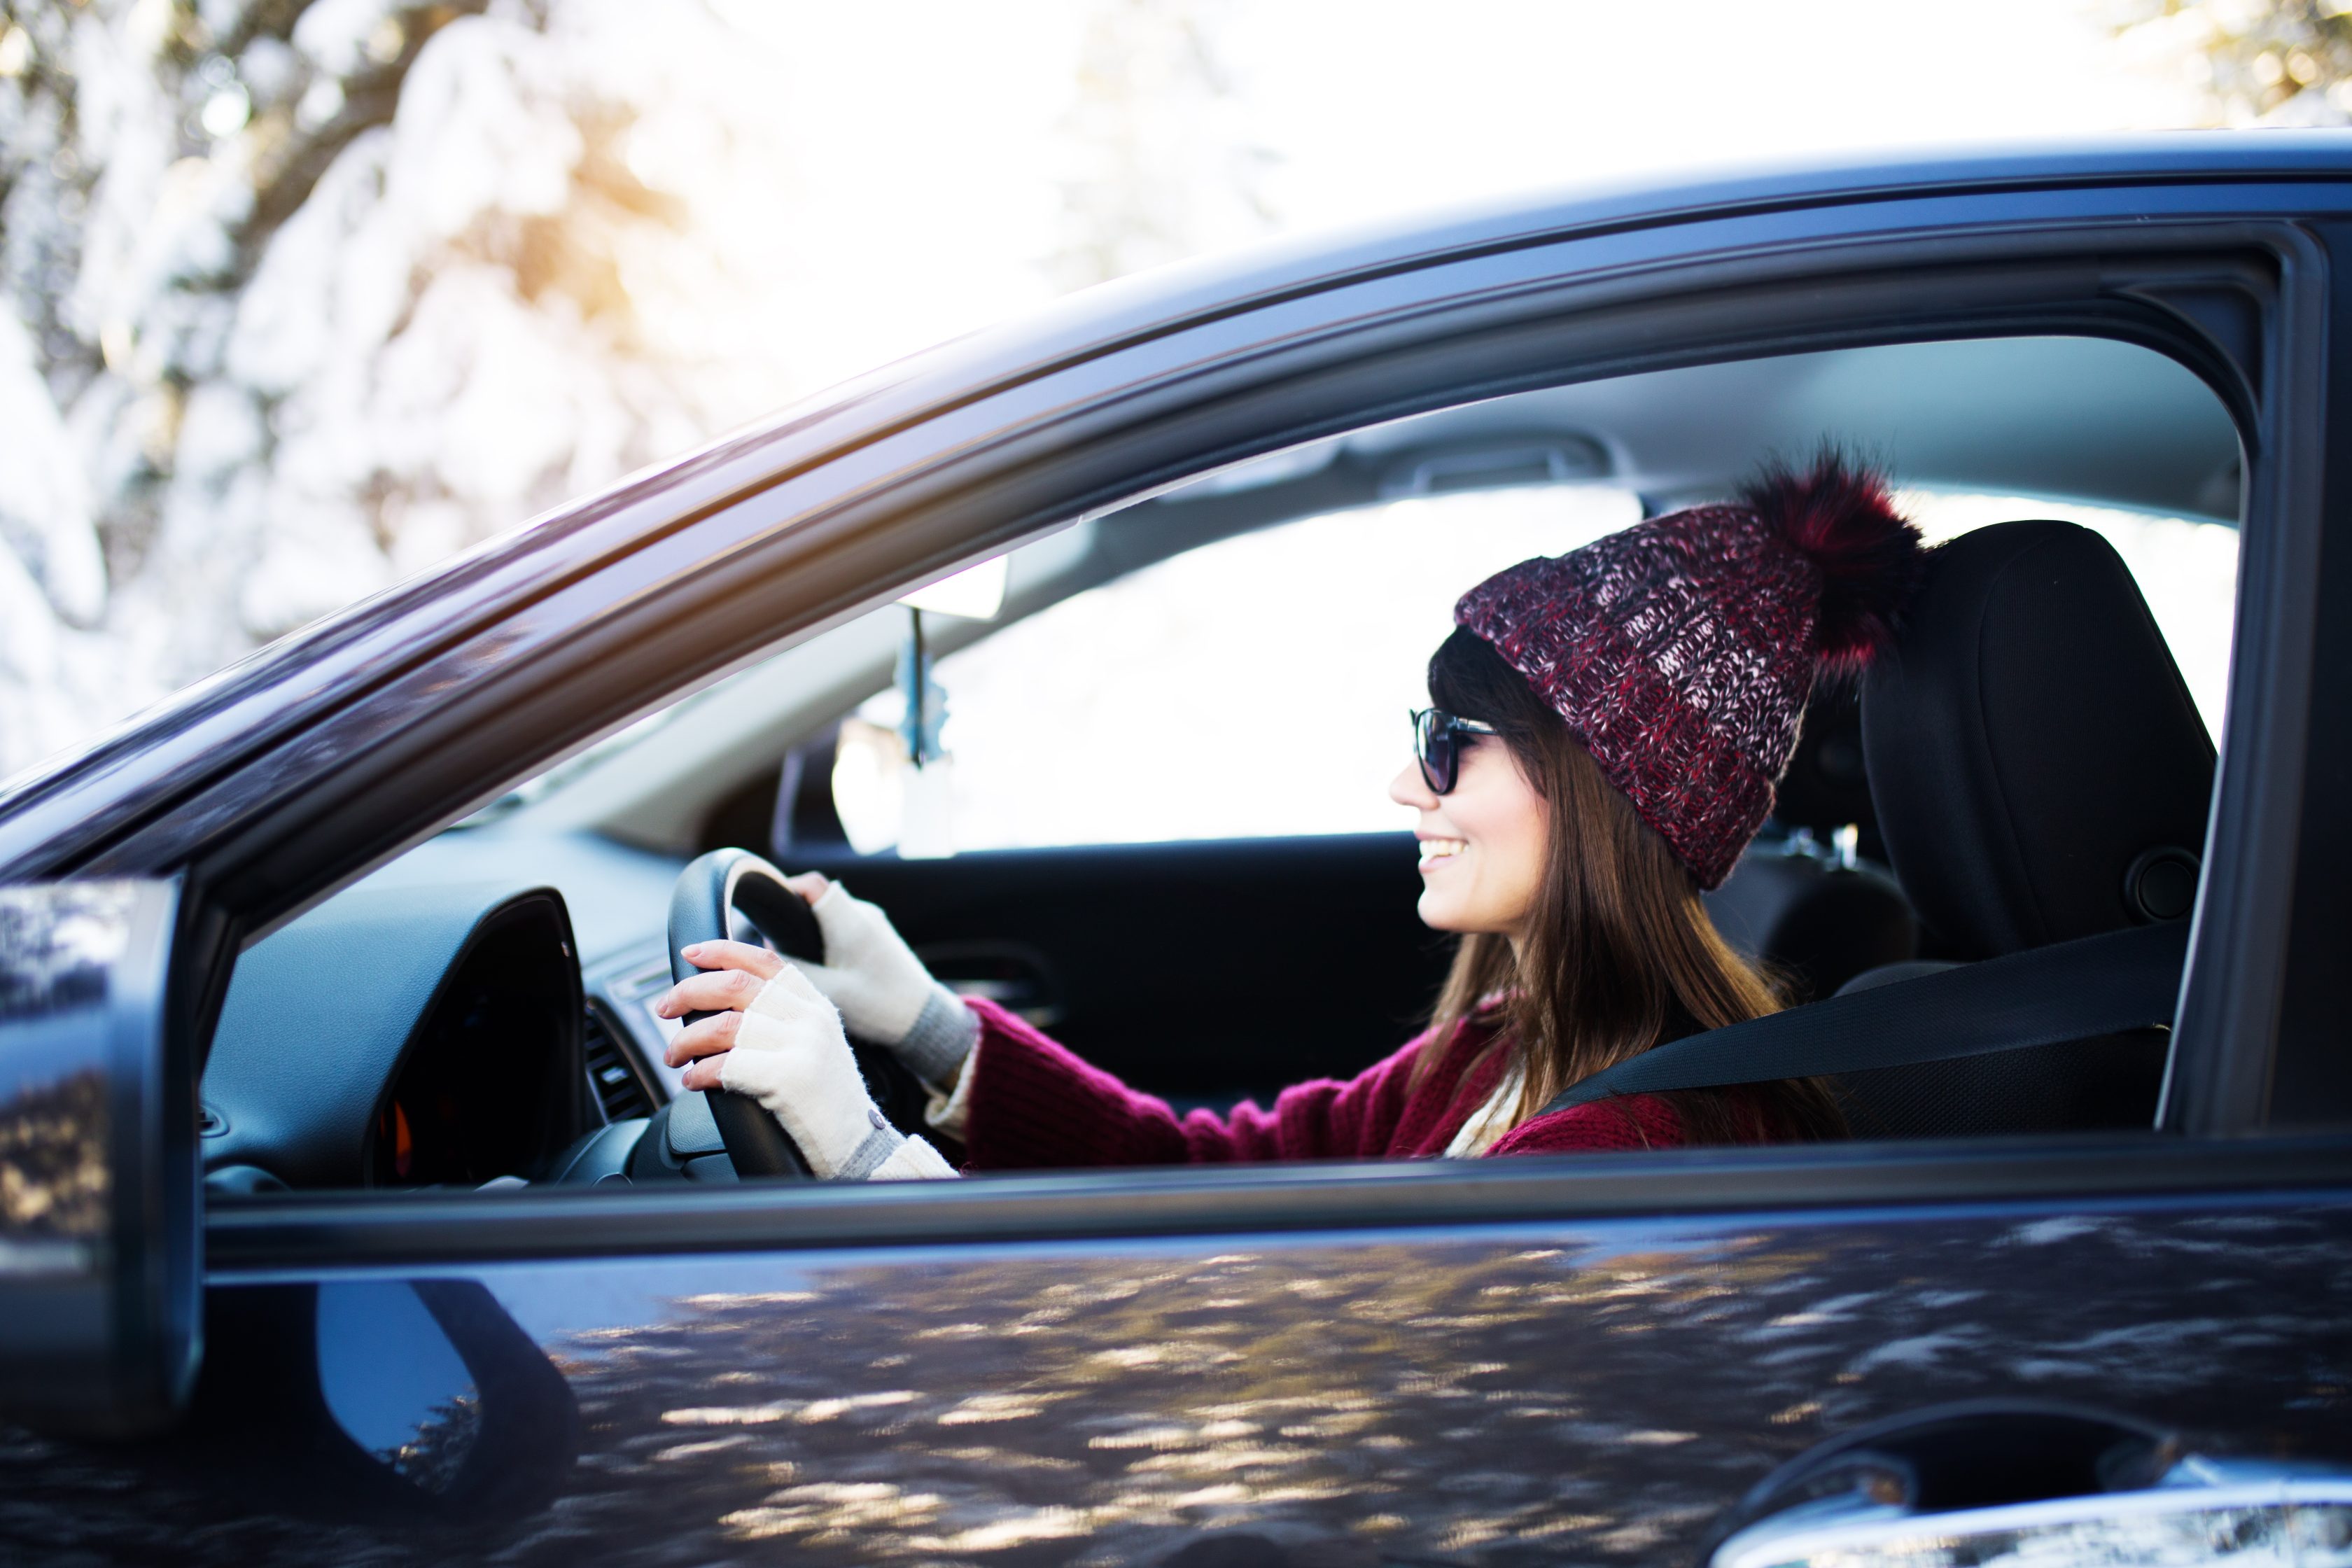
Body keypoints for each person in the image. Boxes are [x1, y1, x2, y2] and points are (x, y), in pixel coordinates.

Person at [655, 451, 1927, 1180]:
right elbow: (1219, 1176)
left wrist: (866, 1157)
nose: (1402, 787)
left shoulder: (1621, 1151)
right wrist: (930, 1027)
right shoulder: (1513, 1043)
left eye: (1452, 746)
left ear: (1604, 787)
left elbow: (1237, 1404)